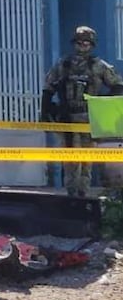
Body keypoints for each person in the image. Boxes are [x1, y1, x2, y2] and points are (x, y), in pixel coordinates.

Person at [42, 25, 123, 197]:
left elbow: (118, 85)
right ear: (74, 44)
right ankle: (71, 193)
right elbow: (48, 87)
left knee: (87, 159)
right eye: (79, 43)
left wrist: (101, 104)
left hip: (88, 119)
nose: (82, 47)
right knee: (70, 158)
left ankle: (82, 194)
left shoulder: (99, 66)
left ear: (92, 45)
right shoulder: (64, 64)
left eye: (86, 44)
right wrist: (46, 111)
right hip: (67, 118)